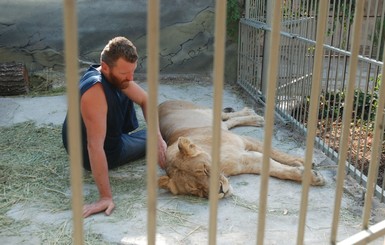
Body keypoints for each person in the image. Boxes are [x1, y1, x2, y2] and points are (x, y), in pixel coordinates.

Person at [62, 36, 167, 218]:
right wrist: (105, 197)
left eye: (132, 72)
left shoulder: (111, 75)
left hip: (88, 141)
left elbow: (145, 99)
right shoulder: (95, 93)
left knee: (158, 134)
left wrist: (157, 139)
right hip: (97, 152)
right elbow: (94, 147)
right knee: (167, 132)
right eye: (125, 74)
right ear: (105, 67)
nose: (131, 78)